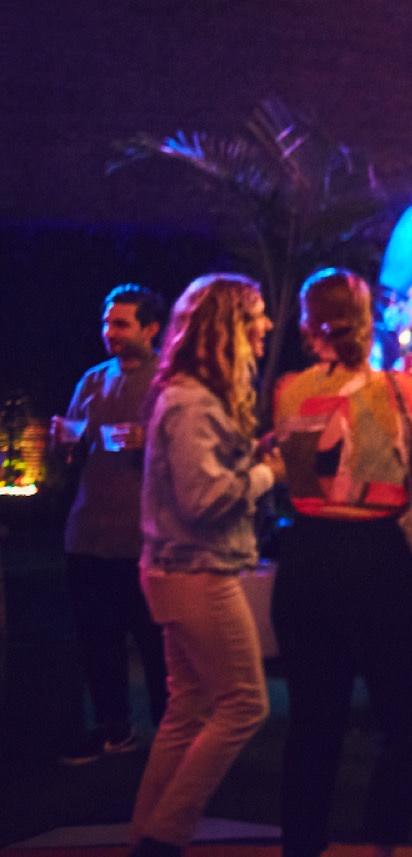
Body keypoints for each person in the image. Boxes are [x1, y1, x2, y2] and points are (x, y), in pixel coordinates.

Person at [270, 268, 412, 857]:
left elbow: (297, 476)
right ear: (368, 321)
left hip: (306, 558)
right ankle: (383, 840)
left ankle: (302, 844)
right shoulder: (410, 391)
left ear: (308, 323)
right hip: (377, 561)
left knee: (312, 724)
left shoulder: (288, 390)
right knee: (404, 716)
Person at [129, 275, 281, 857]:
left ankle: (145, 836)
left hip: (173, 571)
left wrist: (252, 456)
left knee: (186, 708)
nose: (267, 325)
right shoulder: (194, 401)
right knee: (245, 704)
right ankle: (165, 837)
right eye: (256, 314)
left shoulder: (186, 395)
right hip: (197, 572)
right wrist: (268, 473)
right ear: (227, 327)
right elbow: (203, 500)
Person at [53, 284, 171, 764]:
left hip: (144, 539)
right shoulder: (92, 380)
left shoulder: (168, 382)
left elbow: (185, 455)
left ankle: (171, 736)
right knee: (97, 641)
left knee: (156, 645)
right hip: (89, 534)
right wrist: (65, 442)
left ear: (151, 328)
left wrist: (147, 441)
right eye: (107, 323)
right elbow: (75, 454)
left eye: (121, 324)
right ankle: (114, 728)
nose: (110, 332)